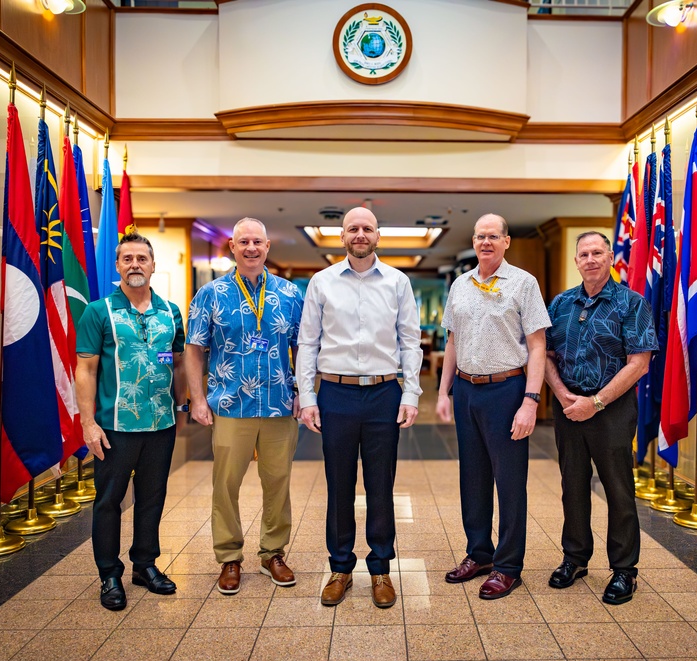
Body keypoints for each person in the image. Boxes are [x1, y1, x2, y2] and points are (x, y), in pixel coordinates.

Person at [297, 206, 422, 609]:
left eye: (367, 228)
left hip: (384, 393)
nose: (360, 234)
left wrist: (411, 393)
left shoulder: (398, 283)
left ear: (378, 235)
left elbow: (410, 342)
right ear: (342, 236)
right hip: (336, 393)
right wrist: (309, 397)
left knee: (381, 484)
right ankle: (340, 568)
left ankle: (381, 569)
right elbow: (307, 344)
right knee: (338, 484)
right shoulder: (322, 282)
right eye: (353, 228)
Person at [185, 218, 304, 595]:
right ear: (232, 248)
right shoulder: (210, 294)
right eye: (243, 242)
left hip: (279, 404)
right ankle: (229, 557)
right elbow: (193, 349)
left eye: (257, 242)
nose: (251, 248)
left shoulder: (289, 293)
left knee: (278, 482)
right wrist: (197, 399)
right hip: (229, 404)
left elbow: (304, 346)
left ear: (268, 246)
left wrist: (303, 389)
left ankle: (272, 553)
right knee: (226, 484)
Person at [436, 213, 550, 600]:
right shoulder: (460, 285)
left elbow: (537, 346)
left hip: (508, 390)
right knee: (474, 478)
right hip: (467, 391)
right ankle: (479, 554)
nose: (486, 242)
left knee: (510, 482)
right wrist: (442, 393)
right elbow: (452, 341)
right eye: (480, 236)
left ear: (505, 242)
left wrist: (530, 402)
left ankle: (507, 566)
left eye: (493, 236)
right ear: (473, 240)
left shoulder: (523, 283)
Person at [76, 231, 187, 611]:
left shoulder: (171, 312)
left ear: (154, 266)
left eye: (143, 258)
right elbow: (86, 369)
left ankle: (145, 565)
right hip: (114, 428)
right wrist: (88, 423)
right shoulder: (98, 311)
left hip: (160, 425)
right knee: (108, 502)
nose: (136, 265)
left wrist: (181, 406)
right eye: (128, 259)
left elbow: (180, 361)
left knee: (152, 499)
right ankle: (109, 574)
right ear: (118, 266)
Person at [543, 231, 656, 605]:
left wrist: (596, 402)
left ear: (610, 257)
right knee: (572, 486)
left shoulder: (631, 303)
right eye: (583, 254)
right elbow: (545, 355)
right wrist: (562, 396)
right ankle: (575, 559)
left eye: (597, 253)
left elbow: (639, 363)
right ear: (576, 261)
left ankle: (624, 569)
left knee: (618, 490)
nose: (590, 259)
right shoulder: (560, 304)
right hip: (568, 407)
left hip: (612, 410)